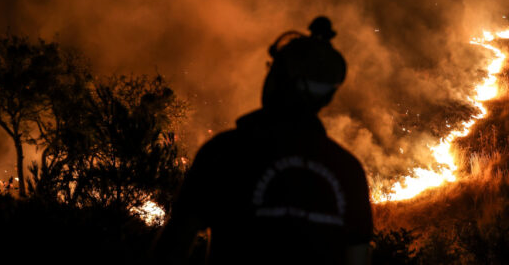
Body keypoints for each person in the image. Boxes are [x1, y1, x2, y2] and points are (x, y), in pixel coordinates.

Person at [154, 16, 373, 264]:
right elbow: (358, 259)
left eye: (272, 68)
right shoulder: (348, 170)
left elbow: (173, 249)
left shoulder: (226, 153)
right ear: (327, 97)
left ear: (277, 80)